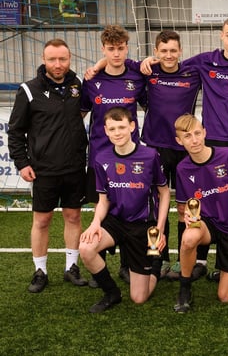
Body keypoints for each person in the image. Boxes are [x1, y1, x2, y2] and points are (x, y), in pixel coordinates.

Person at [142, 17, 228, 283]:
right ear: (221, 36)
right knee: (191, 200)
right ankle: (190, 259)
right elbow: (157, 66)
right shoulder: (204, 61)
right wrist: (144, 62)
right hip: (206, 139)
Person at [88, 30, 202, 280]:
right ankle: (157, 259)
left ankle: (187, 260)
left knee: (187, 206)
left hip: (185, 148)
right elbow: (122, 60)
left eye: (173, 50)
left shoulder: (193, 72)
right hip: (153, 147)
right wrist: (99, 64)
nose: (169, 55)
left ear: (180, 51)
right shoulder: (148, 72)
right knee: (153, 205)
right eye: (163, 51)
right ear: (156, 52)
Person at [8, 38, 89, 293]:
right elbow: (15, 131)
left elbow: (81, 114)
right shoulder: (29, 90)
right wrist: (22, 163)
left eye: (62, 59)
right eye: (52, 59)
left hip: (75, 167)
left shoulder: (78, 86)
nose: (57, 64)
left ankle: (71, 268)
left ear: (69, 59)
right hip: (43, 170)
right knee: (42, 220)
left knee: (73, 216)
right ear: (43, 60)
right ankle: (40, 270)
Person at [79, 107, 169, 313]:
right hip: (116, 222)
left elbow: (164, 193)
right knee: (85, 247)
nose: (117, 132)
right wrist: (95, 223)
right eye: (112, 128)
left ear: (132, 126)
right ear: (106, 131)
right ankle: (111, 293)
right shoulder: (101, 159)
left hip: (142, 226)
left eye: (121, 127)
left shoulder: (150, 155)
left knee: (139, 298)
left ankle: (154, 266)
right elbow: (103, 200)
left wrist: (160, 228)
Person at [81, 24, 148, 285]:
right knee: (103, 206)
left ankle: (126, 264)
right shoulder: (92, 80)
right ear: (103, 49)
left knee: (129, 206)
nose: (116, 54)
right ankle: (101, 262)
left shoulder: (137, 76)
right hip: (99, 156)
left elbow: (149, 104)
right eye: (111, 49)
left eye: (120, 49)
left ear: (126, 48)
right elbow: (81, 113)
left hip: (131, 156)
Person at [172, 114, 228, 312]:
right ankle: (185, 288)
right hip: (208, 224)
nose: (193, 140)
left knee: (224, 297)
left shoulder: (227, 155)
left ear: (204, 133)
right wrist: (187, 216)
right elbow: (185, 205)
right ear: (179, 141)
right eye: (187, 136)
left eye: (196, 133)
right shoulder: (182, 168)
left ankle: (227, 270)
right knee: (188, 237)